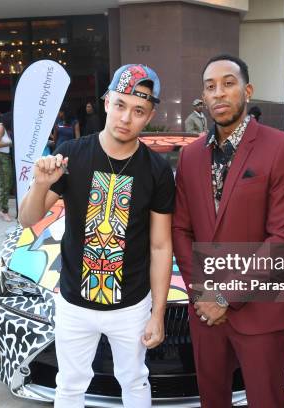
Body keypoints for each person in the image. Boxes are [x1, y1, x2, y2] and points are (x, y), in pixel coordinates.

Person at [19, 64, 174, 408]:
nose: (125, 118)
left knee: (134, 380)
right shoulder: (72, 154)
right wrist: (42, 183)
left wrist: (158, 313)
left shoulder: (158, 170)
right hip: (74, 302)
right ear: (106, 103)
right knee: (70, 386)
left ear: (148, 117)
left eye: (138, 111)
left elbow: (161, 246)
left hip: (132, 306)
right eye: (120, 105)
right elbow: (27, 220)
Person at [172, 54, 284, 408]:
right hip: (205, 311)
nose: (219, 93)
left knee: (267, 400)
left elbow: (283, 240)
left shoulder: (283, 148)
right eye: (210, 86)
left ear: (247, 91)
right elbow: (181, 229)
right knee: (212, 400)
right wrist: (202, 293)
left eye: (228, 84)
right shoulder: (190, 157)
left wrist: (226, 298)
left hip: (260, 308)